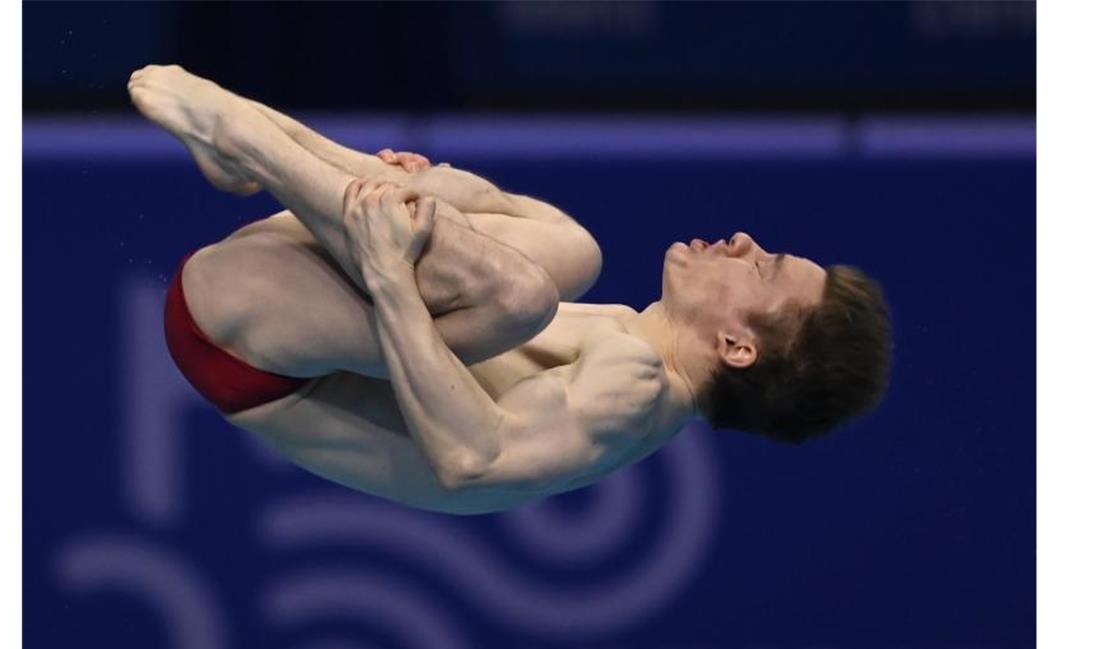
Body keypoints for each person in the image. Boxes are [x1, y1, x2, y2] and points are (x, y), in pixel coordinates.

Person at [129, 65, 892, 515]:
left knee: (518, 296)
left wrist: (396, 277)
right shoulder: (628, 332)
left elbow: (472, 460)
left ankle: (252, 141)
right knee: (568, 249)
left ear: (735, 347)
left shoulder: (636, 391)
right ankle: (261, 144)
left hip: (243, 346)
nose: (745, 244)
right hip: (296, 306)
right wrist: (425, 202)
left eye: (761, 267)